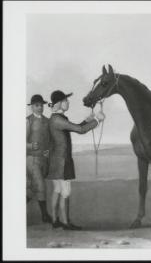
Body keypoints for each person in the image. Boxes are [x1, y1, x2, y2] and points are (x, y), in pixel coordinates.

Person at [47, 90, 105, 230]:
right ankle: (66, 223)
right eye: (66, 100)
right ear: (59, 103)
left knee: (58, 190)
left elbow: (76, 127)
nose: (68, 102)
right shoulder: (58, 120)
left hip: (55, 161)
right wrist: (97, 120)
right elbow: (79, 130)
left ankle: (55, 221)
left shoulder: (56, 118)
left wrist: (87, 120)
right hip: (62, 162)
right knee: (65, 191)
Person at [26, 94, 52, 223]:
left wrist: (49, 151)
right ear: (31, 107)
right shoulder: (28, 121)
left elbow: (50, 140)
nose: (40, 108)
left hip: (44, 160)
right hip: (31, 159)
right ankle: (45, 216)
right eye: (37, 105)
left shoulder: (47, 121)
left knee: (32, 189)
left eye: (41, 105)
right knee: (41, 186)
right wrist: (30, 145)